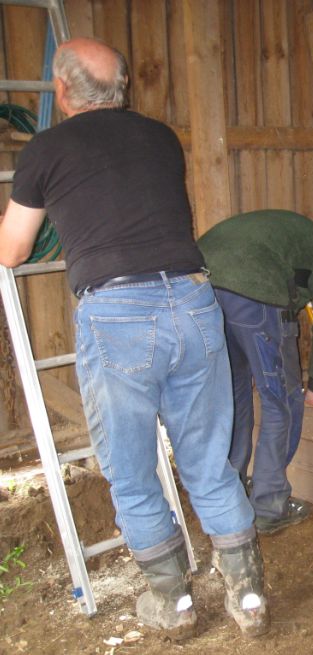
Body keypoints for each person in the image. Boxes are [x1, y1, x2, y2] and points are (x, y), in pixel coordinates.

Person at [0, 38, 267, 640]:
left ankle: (174, 605)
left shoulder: (46, 150)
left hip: (119, 313)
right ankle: (249, 599)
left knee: (132, 472)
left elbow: (11, 250)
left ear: (61, 91)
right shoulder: (160, 138)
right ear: (121, 89)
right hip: (194, 302)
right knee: (210, 464)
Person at [197, 209, 313, 535]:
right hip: (253, 288)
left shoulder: (280, 234)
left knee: (232, 397)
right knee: (282, 400)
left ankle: (231, 495)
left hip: (200, 287)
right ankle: (269, 505)